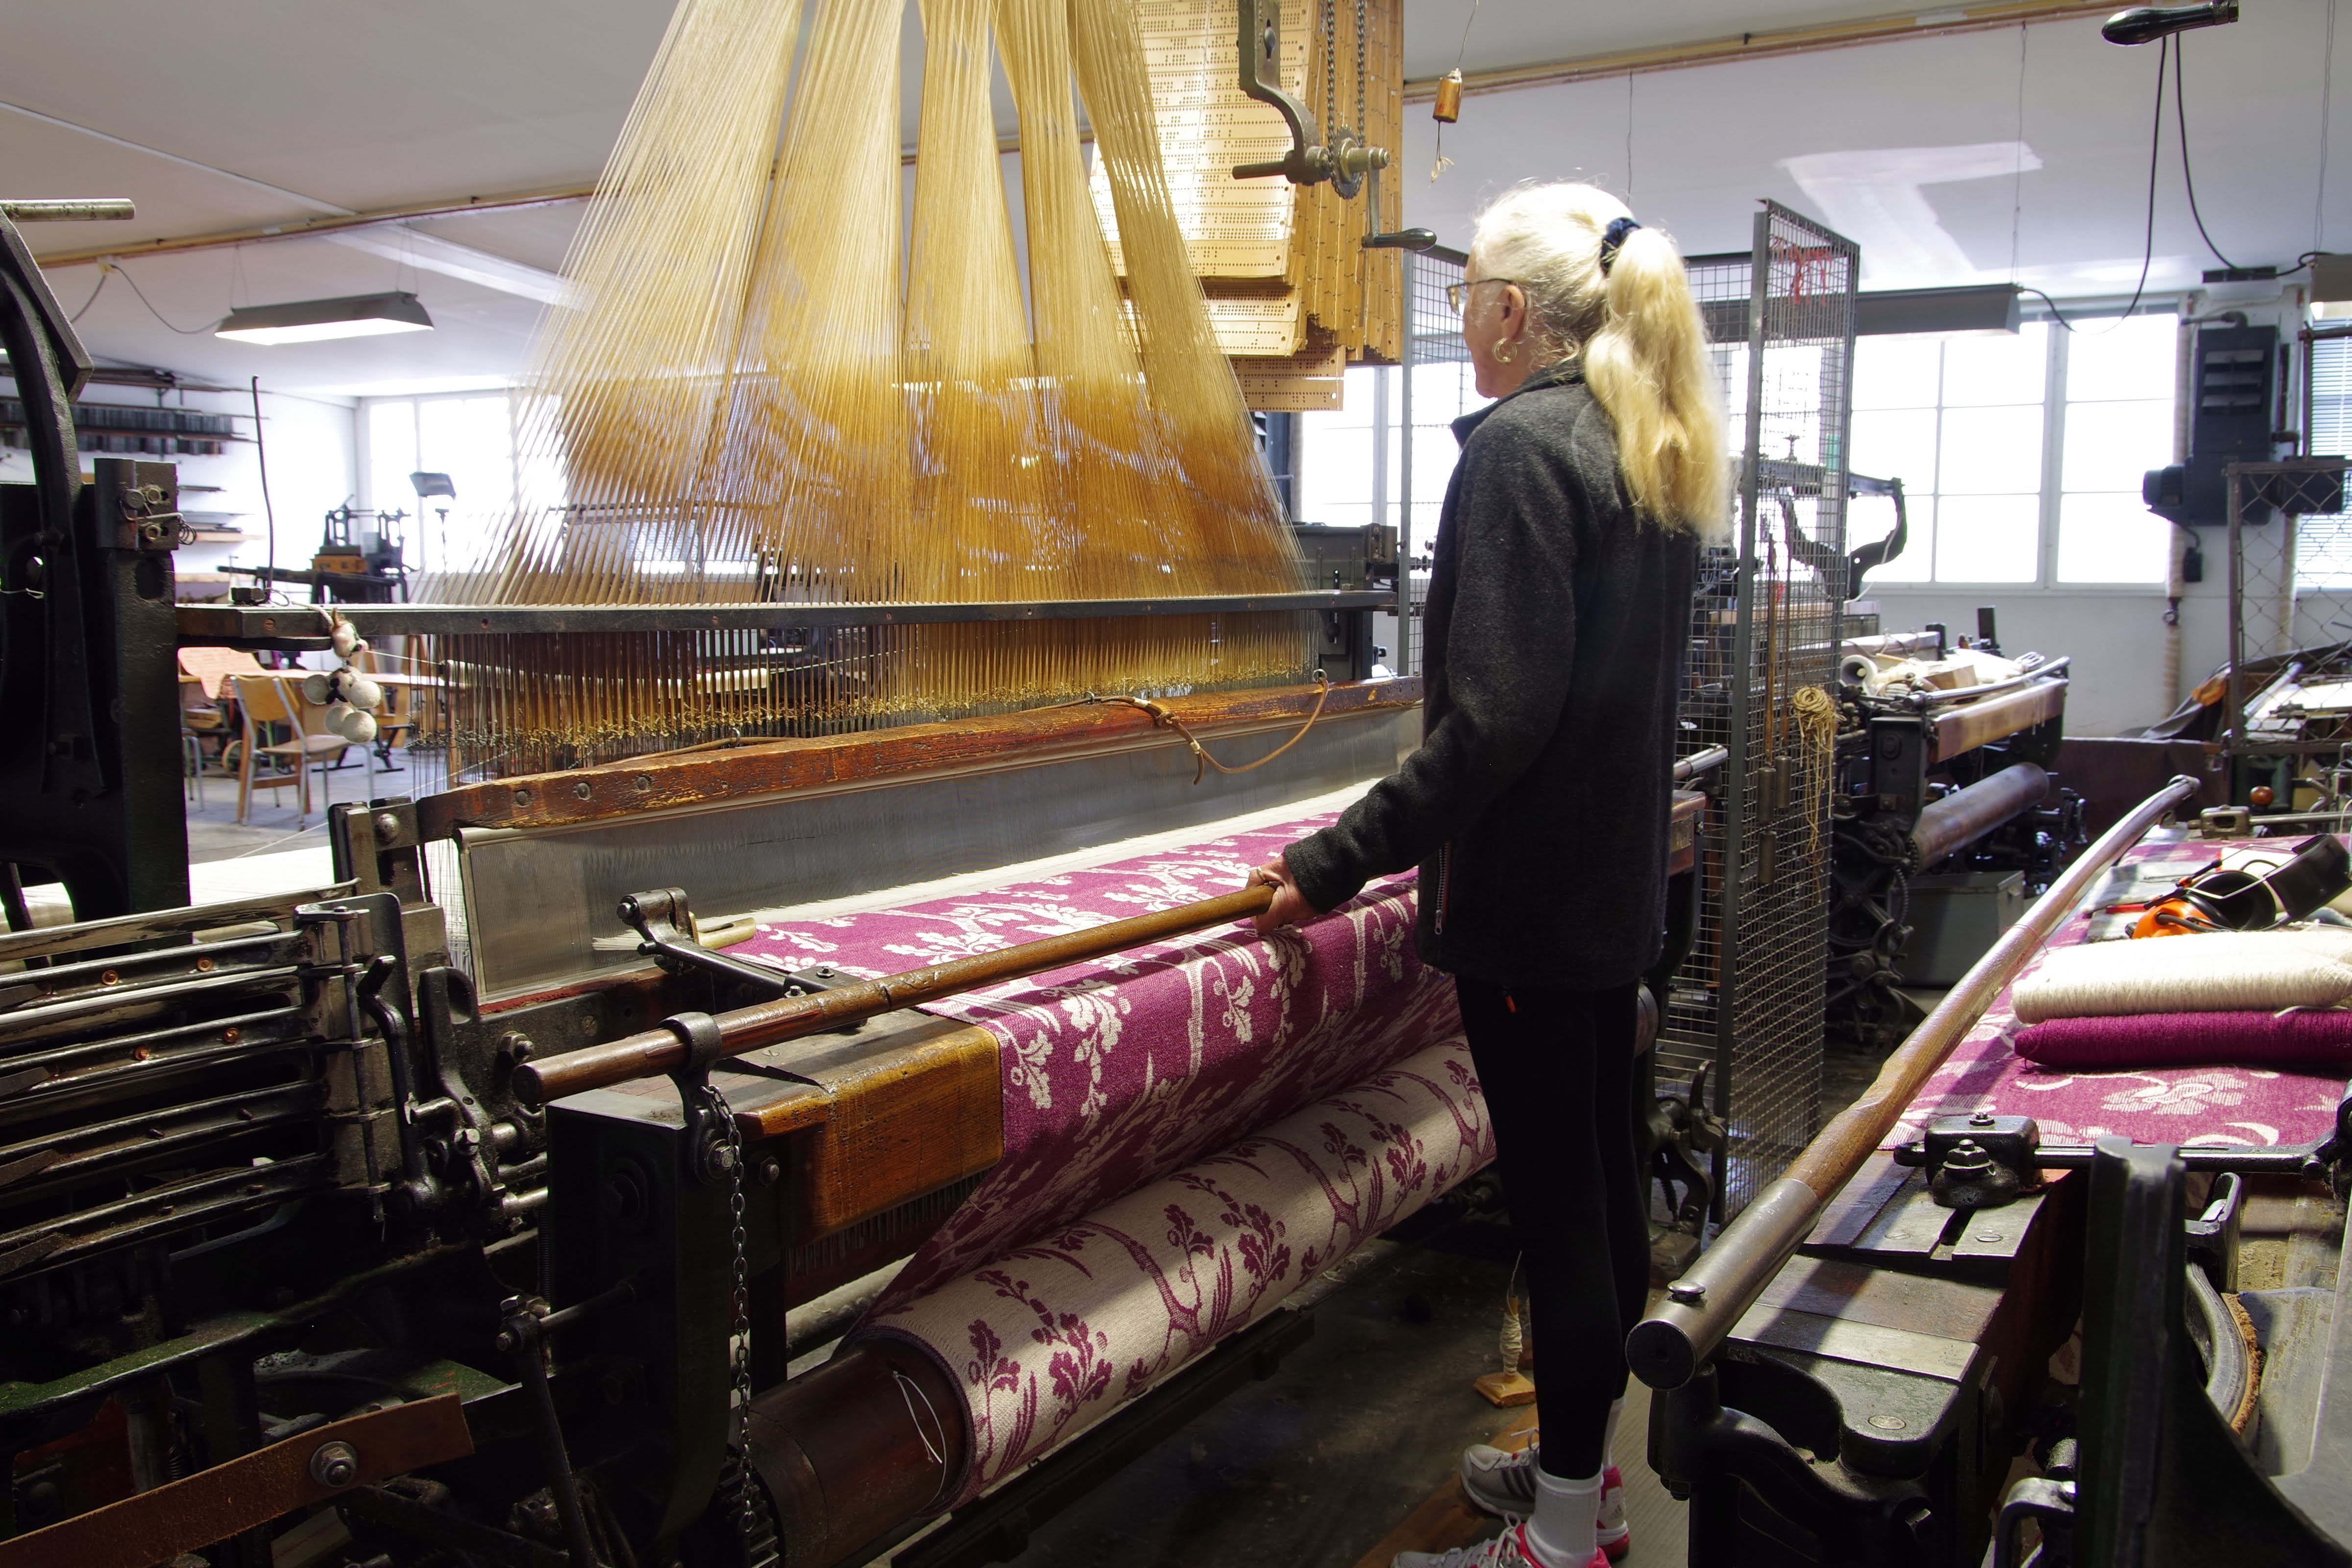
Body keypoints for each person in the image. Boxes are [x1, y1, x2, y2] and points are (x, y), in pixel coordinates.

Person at [1249, 181, 1727, 1568]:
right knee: (1604, 1194)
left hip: (1529, 914)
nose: (1462, 327)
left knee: (1563, 1220)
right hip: (1614, 898)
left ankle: (1562, 1543)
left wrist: (1333, 864)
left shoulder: (1523, 451)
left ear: (1512, 311)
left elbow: (1501, 720)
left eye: (1463, 303)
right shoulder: (1647, 444)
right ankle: (1592, 1485)